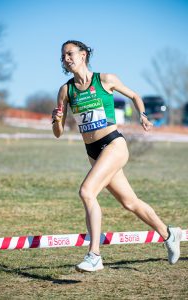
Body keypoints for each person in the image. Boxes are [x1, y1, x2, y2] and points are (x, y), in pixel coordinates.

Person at [52, 40, 182, 272]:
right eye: (63, 56)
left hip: (113, 144)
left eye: (70, 54)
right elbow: (58, 133)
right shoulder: (66, 90)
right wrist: (56, 118)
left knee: (86, 192)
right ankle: (169, 233)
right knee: (130, 202)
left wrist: (142, 115)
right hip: (93, 152)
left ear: (83, 55)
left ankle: (94, 255)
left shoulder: (106, 79)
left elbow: (134, 95)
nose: (66, 59)